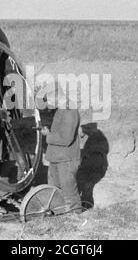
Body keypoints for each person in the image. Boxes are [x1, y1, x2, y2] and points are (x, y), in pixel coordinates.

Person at [41, 85, 83, 214]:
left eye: (49, 99)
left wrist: (48, 135)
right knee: (55, 190)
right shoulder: (61, 109)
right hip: (57, 158)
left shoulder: (70, 111)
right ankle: (60, 215)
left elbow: (66, 139)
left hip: (66, 159)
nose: (48, 103)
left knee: (69, 193)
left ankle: (76, 218)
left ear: (57, 96)